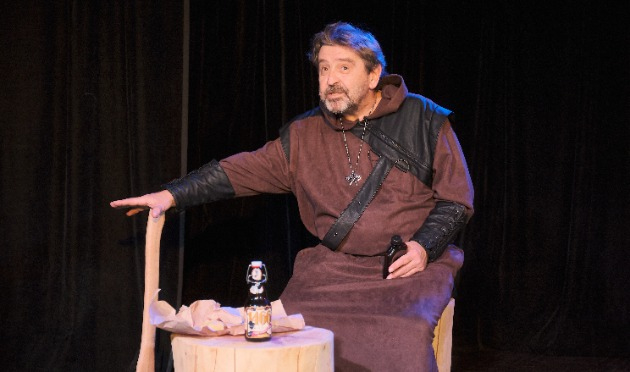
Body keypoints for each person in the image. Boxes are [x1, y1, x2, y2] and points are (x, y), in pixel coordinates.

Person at [111, 21, 474, 371]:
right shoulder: (304, 134)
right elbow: (242, 170)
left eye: (344, 67)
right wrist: (172, 195)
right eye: (324, 68)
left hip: (405, 269)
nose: (330, 79)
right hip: (332, 273)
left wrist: (423, 247)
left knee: (401, 336)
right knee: (289, 333)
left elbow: (456, 199)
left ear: (373, 75)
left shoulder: (425, 118)